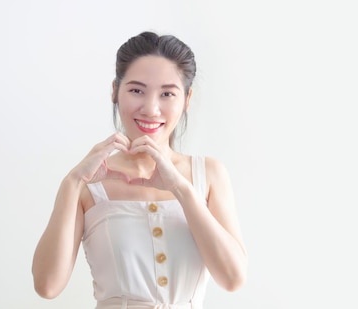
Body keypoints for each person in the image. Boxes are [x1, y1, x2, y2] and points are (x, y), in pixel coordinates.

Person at [31, 31, 248, 309]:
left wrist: (181, 188)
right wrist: (71, 183)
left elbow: (232, 278)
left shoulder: (209, 174)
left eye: (167, 93)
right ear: (115, 91)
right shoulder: (88, 182)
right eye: (136, 90)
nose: (151, 109)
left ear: (187, 99)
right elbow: (47, 285)